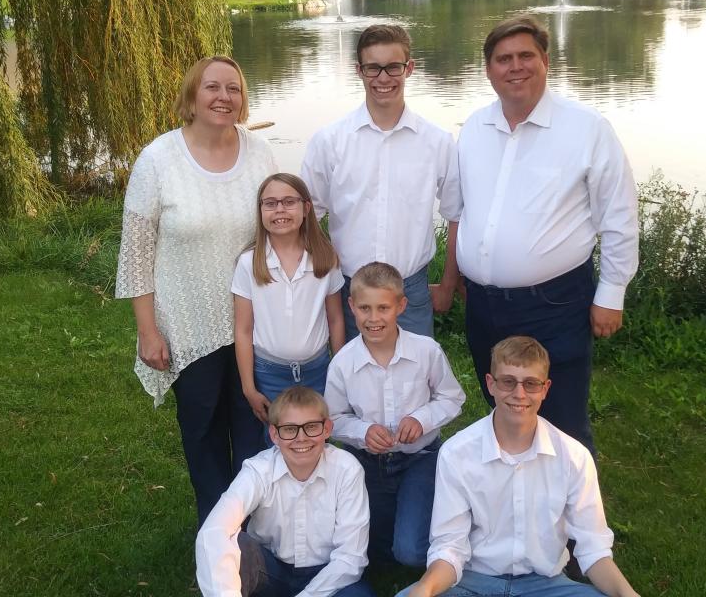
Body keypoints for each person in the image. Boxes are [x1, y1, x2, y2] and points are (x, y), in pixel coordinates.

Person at [444, 16, 638, 454]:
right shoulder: (475, 128)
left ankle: (575, 519)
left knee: (561, 419)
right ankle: (511, 504)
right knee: (504, 411)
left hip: (555, 304)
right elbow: (459, 210)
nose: (515, 67)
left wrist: (612, 291)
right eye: (503, 59)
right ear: (488, 69)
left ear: (546, 61)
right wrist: (455, 276)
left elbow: (619, 214)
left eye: (525, 56)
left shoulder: (586, 129)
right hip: (484, 307)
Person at [115, 55, 277, 526]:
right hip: (189, 321)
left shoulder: (260, 153)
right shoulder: (159, 159)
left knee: (253, 427)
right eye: (212, 87)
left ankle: (254, 530)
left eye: (234, 88)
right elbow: (137, 252)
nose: (224, 97)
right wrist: (148, 330)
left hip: (254, 320)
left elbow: (280, 224)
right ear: (192, 96)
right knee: (203, 431)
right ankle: (217, 534)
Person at [396, 337, 640, 597]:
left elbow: (593, 549)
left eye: (531, 384)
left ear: (545, 389)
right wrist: (425, 588)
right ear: (491, 384)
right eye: (508, 381)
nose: (519, 394)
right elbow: (449, 547)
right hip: (474, 581)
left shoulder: (573, 457)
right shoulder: (457, 453)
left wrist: (628, 595)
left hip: (547, 585)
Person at [301, 24, 461, 342]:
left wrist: (447, 284)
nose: (383, 78)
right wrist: (319, 273)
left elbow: (456, 214)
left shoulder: (437, 142)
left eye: (393, 67)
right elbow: (305, 216)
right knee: (352, 380)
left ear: (409, 68)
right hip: (348, 288)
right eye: (373, 68)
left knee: (413, 382)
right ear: (359, 71)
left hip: (410, 289)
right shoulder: (330, 142)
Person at [323, 262, 466, 568]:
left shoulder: (426, 351)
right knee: (364, 554)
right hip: (366, 464)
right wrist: (363, 432)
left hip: (420, 458)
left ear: (401, 306)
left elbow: (452, 398)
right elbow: (332, 418)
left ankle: (446, 534)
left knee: (411, 553)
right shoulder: (343, 363)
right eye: (364, 308)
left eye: (383, 308)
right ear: (351, 306)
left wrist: (421, 419)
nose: (373, 318)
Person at [196, 386, 375, 597]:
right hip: (271, 570)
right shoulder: (258, 470)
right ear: (274, 434)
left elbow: (350, 557)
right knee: (237, 546)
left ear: (327, 429)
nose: (301, 438)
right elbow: (214, 531)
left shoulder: (347, 470)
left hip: (327, 573)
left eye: (311, 427)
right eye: (290, 429)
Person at [231, 173, 346, 439]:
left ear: (306, 208)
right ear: (260, 210)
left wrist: (340, 372)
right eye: (270, 203)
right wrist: (249, 388)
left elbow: (336, 319)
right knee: (279, 442)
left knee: (317, 437)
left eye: (288, 202)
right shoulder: (249, 263)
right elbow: (244, 329)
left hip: (318, 370)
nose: (280, 209)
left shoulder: (324, 258)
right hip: (269, 374)